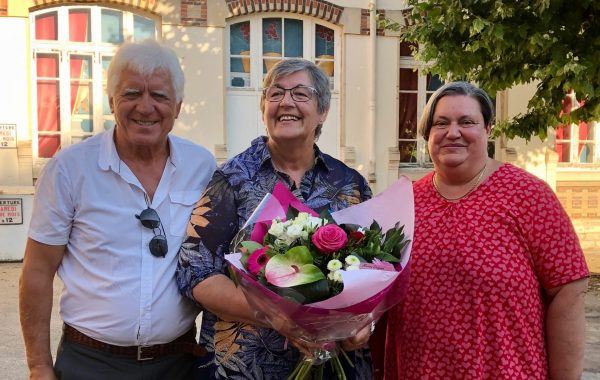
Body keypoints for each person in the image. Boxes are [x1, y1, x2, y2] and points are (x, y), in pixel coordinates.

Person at [19, 40, 216, 380]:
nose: (145, 106)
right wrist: (39, 366)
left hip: (178, 364)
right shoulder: (70, 169)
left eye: (159, 96)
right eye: (131, 93)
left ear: (178, 106)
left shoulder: (201, 165)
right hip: (90, 364)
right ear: (111, 101)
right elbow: (37, 270)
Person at [176, 58, 374, 379]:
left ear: (322, 111)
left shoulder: (350, 185)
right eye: (275, 93)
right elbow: (194, 273)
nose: (286, 102)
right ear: (263, 106)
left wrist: (364, 323)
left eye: (300, 93)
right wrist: (277, 316)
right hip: (245, 368)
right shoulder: (231, 180)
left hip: (333, 368)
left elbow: (372, 271)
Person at [384, 81, 589, 379]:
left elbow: (568, 292)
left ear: (488, 128)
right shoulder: (403, 203)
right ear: (428, 133)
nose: (453, 132)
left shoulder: (528, 196)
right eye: (441, 123)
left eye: (466, 122)